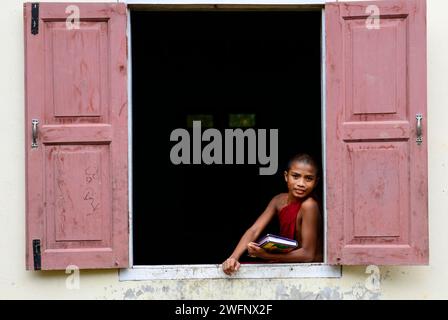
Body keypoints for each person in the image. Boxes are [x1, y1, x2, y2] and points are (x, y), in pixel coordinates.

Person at [222, 153, 323, 276]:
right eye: (295, 176)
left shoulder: (309, 205)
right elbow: (254, 230)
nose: (301, 183)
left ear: (316, 181)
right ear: (286, 176)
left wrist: (266, 255)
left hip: (312, 270)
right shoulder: (278, 200)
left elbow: (308, 255)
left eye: (308, 178)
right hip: (288, 264)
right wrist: (233, 257)